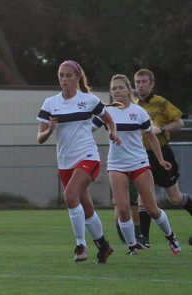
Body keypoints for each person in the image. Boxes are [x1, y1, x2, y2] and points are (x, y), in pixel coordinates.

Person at [36, 60, 118, 263]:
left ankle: (81, 245)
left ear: (78, 77)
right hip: (65, 162)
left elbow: (108, 119)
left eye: (68, 75)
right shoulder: (50, 103)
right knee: (86, 208)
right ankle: (104, 246)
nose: (64, 79)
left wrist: (113, 133)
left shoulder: (89, 100)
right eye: (61, 75)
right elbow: (40, 137)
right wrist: (49, 129)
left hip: (88, 156)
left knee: (70, 196)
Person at [93, 74, 181, 255]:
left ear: (128, 90)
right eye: (114, 88)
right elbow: (88, 128)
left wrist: (160, 160)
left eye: (120, 87)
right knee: (123, 209)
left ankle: (171, 237)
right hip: (116, 165)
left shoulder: (139, 112)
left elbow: (151, 137)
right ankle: (132, 246)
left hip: (139, 163)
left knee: (152, 210)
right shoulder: (106, 111)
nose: (117, 91)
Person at [133, 69, 191, 248]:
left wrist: (163, 129)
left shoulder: (161, 102)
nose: (140, 85)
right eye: (137, 82)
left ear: (152, 84)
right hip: (142, 155)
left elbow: (179, 122)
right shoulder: (134, 105)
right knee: (143, 196)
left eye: (144, 82)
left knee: (174, 197)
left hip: (162, 154)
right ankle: (144, 238)